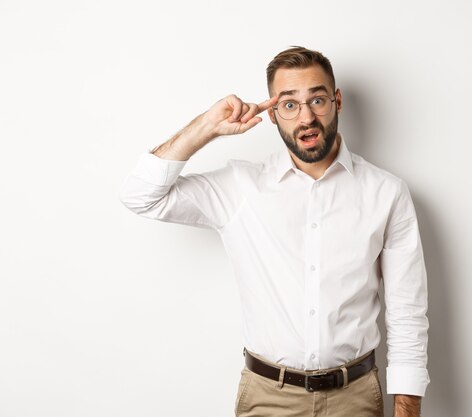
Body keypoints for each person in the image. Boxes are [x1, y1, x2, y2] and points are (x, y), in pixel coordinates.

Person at [119, 46, 429, 417]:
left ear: (338, 101)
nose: (307, 117)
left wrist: (407, 408)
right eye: (289, 104)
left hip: (356, 398)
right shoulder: (240, 187)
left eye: (317, 99)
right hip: (268, 399)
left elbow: (407, 312)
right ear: (272, 114)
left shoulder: (386, 192)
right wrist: (206, 127)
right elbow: (141, 196)